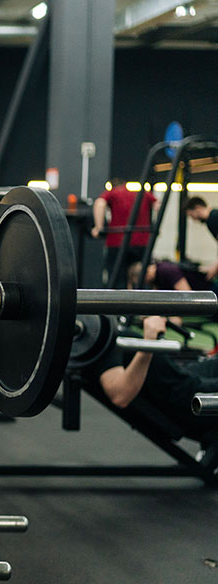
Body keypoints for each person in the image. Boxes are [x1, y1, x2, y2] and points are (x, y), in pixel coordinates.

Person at [81, 315, 218, 454]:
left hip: (182, 377)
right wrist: (148, 341)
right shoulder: (99, 340)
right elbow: (120, 395)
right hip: (186, 397)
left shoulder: (102, 329)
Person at [91, 178, 157, 286]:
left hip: (117, 242)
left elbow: (100, 203)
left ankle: (118, 302)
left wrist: (99, 227)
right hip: (142, 242)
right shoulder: (142, 193)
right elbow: (157, 204)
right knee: (142, 278)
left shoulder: (113, 192)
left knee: (117, 280)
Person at [183, 196, 218, 280]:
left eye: (192, 215)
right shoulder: (213, 217)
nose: (194, 219)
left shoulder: (213, 218)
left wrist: (214, 269)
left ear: (197, 208)